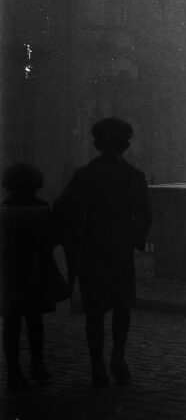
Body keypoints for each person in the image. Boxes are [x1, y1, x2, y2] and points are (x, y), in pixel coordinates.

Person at [55, 118, 152, 388]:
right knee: (122, 308)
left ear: (97, 144)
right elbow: (145, 214)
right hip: (120, 250)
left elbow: (64, 208)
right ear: (127, 146)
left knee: (95, 312)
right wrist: (138, 239)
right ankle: (118, 357)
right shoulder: (134, 176)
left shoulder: (84, 175)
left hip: (91, 248)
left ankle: (97, 365)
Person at [1, 163, 66, 391]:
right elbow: (52, 238)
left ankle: (13, 371)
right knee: (35, 322)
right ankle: (37, 366)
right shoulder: (42, 208)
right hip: (37, 271)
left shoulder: (4, 210)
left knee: (11, 324)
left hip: (10, 273)